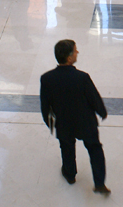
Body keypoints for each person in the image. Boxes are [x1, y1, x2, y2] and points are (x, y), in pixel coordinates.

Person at [41, 40, 109, 194]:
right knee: (95, 149)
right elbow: (94, 98)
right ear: (69, 58)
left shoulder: (46, 79)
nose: (78, 53)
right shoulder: (82, 77)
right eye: (76, 51)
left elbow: (45, 106)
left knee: (66, 148)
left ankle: (70, 174)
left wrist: (51, 125)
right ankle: (99, 184)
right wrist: (102, 111)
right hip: (86, 123)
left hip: (63, 123)